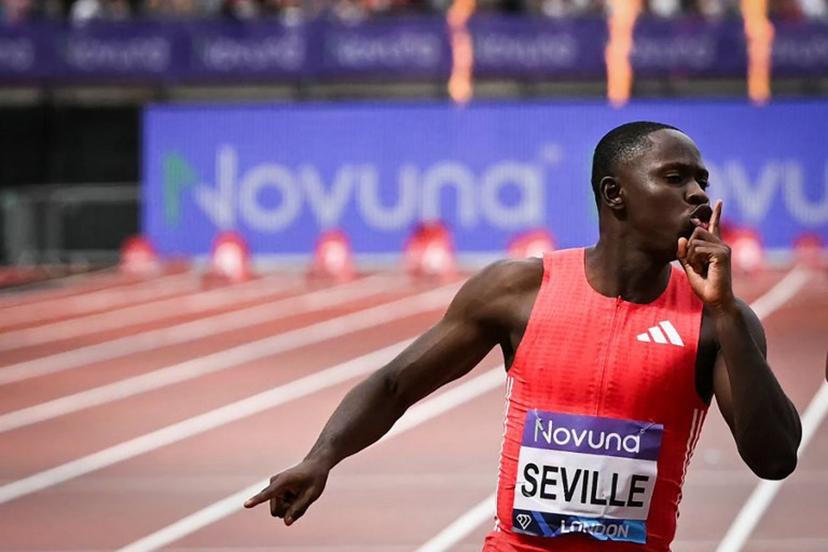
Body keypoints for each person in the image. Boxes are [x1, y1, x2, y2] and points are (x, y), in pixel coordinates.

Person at [243, 121, 802, 550]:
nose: (698, 194)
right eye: (675, 178)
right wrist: (321, 457)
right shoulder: (518, 290)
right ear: (615, 194)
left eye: (702, 180)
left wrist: (726, 312)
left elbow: (775, 459)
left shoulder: (718, 320)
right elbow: (395, 385)